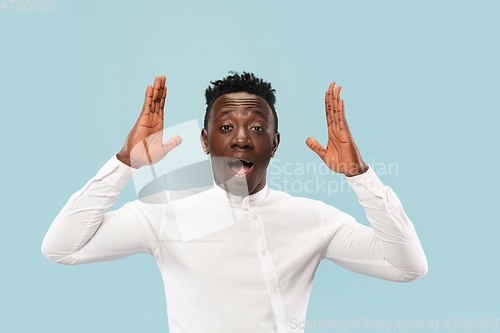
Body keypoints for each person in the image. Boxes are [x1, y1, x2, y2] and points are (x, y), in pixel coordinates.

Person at [41, 72, 428, 333]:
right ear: (206, 142)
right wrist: (125, 162)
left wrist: (359, 175)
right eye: (226, 127)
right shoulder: (163, 213)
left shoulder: (313, 218)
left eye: (257, 128)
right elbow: (62, 248)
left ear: (274, 145)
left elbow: (408, 267)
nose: (241, 138)